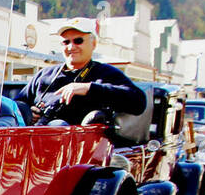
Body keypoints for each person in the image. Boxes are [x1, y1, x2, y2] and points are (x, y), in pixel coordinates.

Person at [15, 18, 146, 125]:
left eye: (78, 41)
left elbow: (138, 102)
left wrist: (89, 88)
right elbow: (18, 103)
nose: (71, 47)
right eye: (66, 42)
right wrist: (27, 112)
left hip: (80, 147)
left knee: (58, 126)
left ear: (93, 44)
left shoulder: (105, 73)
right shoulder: (45, 74)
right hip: (35, 141)